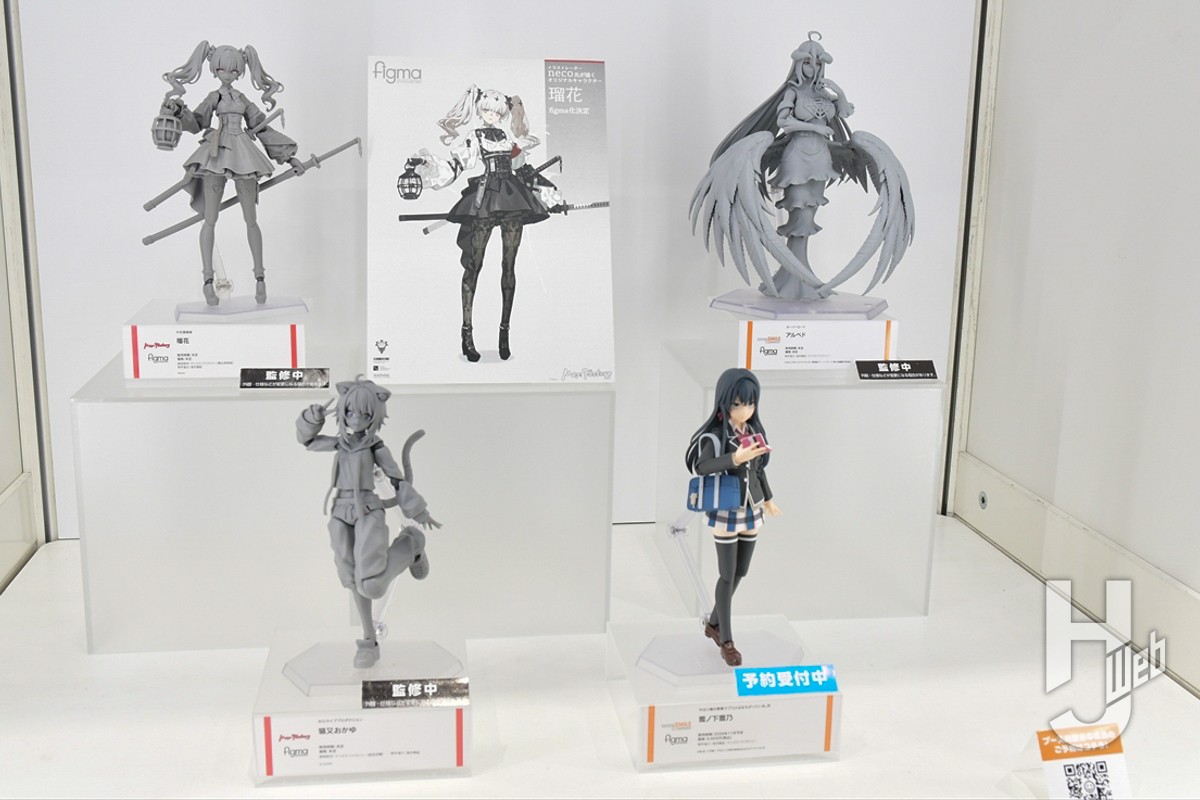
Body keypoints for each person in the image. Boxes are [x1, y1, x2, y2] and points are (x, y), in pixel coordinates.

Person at [409, 85, 561, 362]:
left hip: (512, 199)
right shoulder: (475, 136)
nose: (492, 115)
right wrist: (427, 166)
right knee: (474, 265)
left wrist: (550, 195)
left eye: (497, 112)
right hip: (486, 199)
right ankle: (467, 334)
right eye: (488, 111)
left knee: (509, 267)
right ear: (480, 111)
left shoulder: (506, 137)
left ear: (502, 114)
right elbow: (456, 165)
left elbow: (522, 168)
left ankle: (504, 333)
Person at [297, 377, 440, 668]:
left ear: (375, 415)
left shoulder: (375, 446)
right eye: (350, 412)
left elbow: (396, 478)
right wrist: (312, 418)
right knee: (351, 579)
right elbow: (308, 441)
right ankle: (368, 641)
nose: (356, 419)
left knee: (372, 585)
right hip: (340, 512)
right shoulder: (341, 443)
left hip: (368, 511)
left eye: (364, 414)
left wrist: (417, 509)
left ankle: (412, 544)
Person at [159, 41, 307, 305]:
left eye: (233, 70)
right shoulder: (214, 98)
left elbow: (262, 127)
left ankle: (260, 279)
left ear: (240, 71)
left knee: (251, 220)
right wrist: (179, 111)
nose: (227, 74)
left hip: (243, 154)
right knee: (210, 219)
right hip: (216, 153)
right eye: (222, 69)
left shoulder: (242, 99)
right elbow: (197, 122)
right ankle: (208, 281)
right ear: (214, 69)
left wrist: (289, 157)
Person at [684, 368, 782, 666]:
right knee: (727, 575)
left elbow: (759, 470)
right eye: (737, 404)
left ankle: (714, 623)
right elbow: (702, 467)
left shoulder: (754, 433)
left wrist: (769, 499)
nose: (744, 410)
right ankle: (726, 640)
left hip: (752, 507)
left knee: (741, 571)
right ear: (724, 402)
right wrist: (734, 458)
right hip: (726, 508)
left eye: (750, 404)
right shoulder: (715, 436)